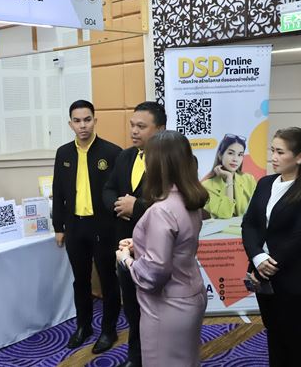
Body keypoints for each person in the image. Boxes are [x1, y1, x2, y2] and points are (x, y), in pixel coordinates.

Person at [116, 130, 208, 366]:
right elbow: (180, 243)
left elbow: (154, 274)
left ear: (157, 165)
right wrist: (140, 244)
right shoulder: (190, 199)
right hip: (191, 294)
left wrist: (126, 259)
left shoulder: (162, 210)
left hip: (167, 305)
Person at [241, 127, 301, 367]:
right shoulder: (265, 183)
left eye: (280, 152)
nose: (273, 157)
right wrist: (257, 258)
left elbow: (300, 238)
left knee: (296, 340)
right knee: (275, 334)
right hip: (264, 276)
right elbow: (250, 224)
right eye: (272, 150)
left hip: (297, 280)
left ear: (299, 157)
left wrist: (265, 266)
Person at [52, 100, 122, 353]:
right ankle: (84, 327)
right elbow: (58, 190)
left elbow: (120, 192)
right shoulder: (63, 153)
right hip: (75, 227)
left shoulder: (112, 152)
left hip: (103, 227)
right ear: (70, 124)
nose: (83, 125)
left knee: (108, 280)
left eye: (87, 120)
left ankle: (109, 329)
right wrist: (58, 226)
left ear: (95, 121)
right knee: (80, 281)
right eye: (77, 121)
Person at [103, 101, 166, 367]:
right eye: (132, 125)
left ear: (160, 129)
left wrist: (136, 207)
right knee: (131, 304)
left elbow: (174, 205)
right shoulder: (125, 156)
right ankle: (136, 356)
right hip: (126, 246)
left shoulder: (174, 161)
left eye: (141, 126)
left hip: (157, 248)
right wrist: (119, 206)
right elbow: (109, 189)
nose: (134, 131)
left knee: (157, 307)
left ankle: (158, 357)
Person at [202, 134, 257, 218]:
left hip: (246, 226)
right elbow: (225, 214)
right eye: (231, 153)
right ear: (220, 155)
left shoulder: (249, 179)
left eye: (240, 155)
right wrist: (229, 178)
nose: (235, 159)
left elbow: (257, 210)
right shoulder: (207, 186)